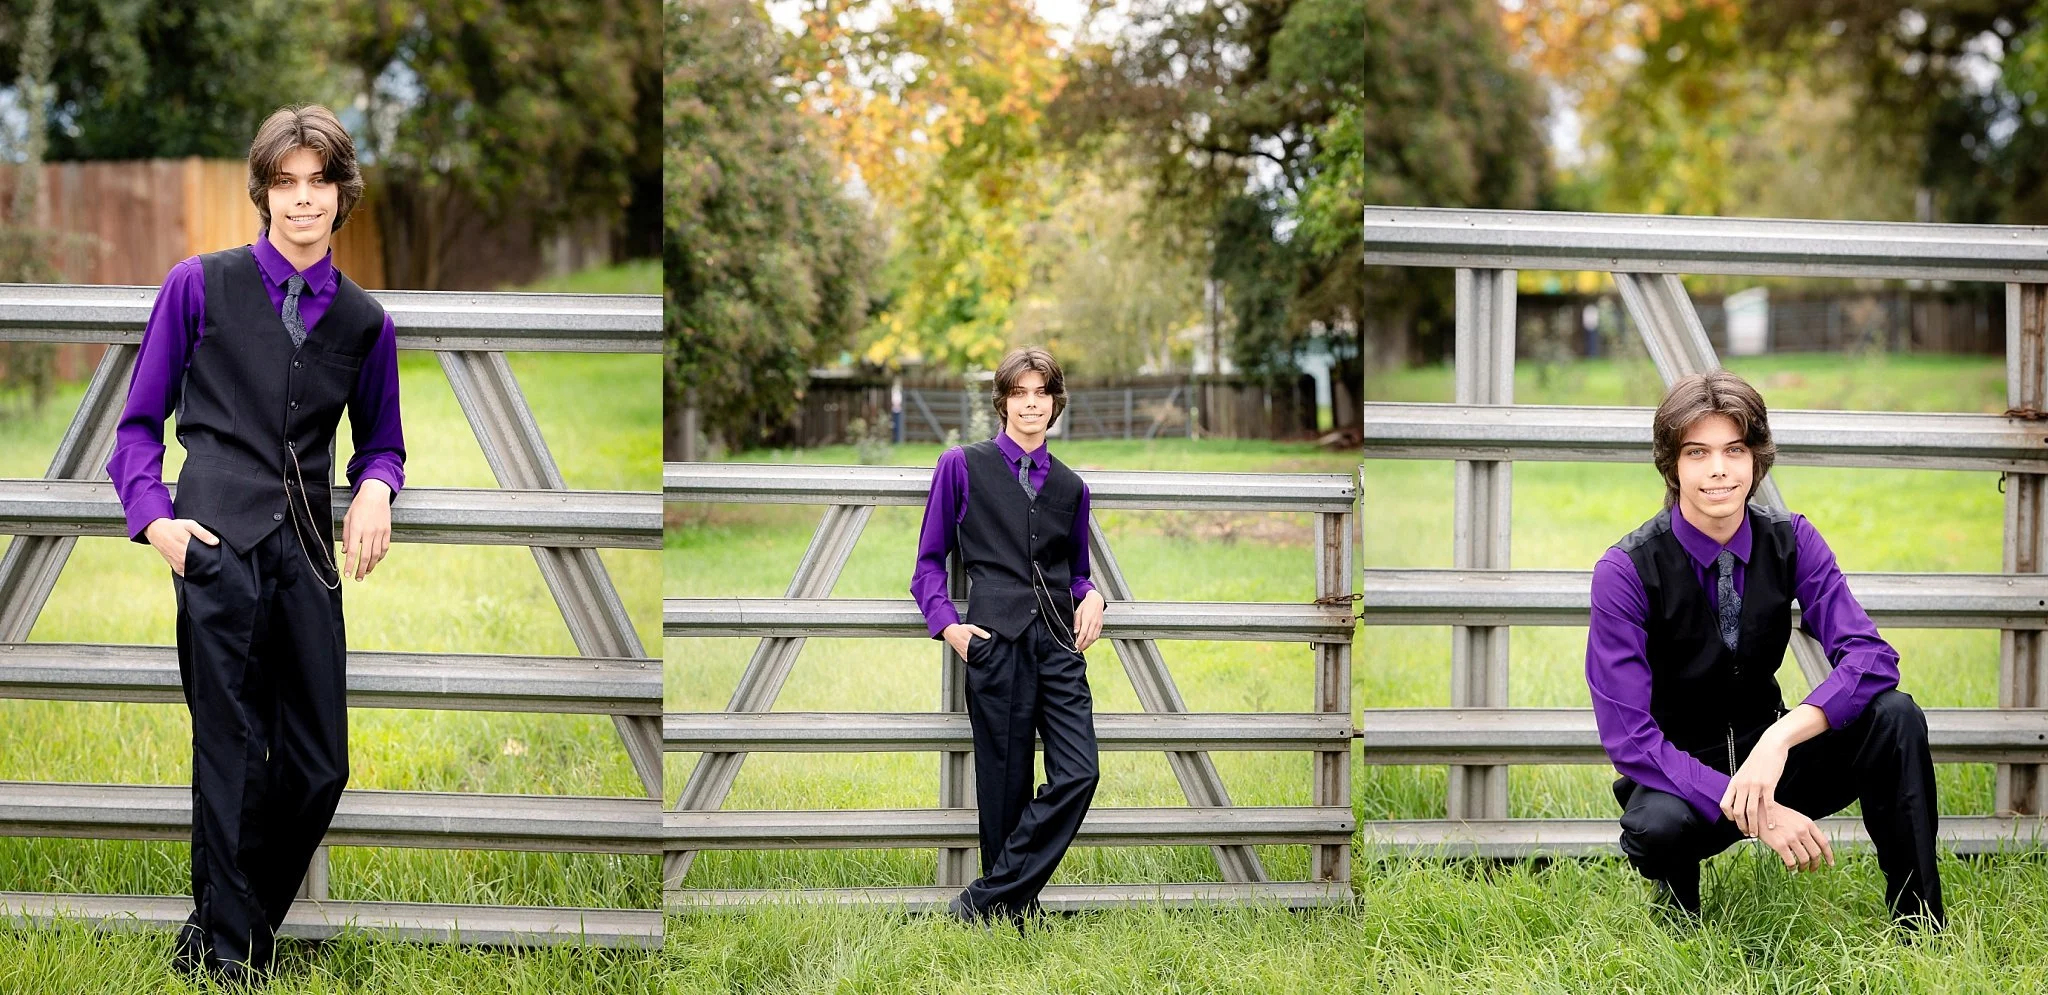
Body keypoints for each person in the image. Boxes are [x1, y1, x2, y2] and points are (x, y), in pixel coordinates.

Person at [106, 103, 406, 982]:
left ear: (341, 195)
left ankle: (219, 931)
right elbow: (136, 426)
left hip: (309, 553)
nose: (302, 200)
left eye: (319, 183)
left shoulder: (363, 321)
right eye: (285, 182)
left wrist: (378, 485)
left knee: (320, 763)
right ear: (263, 191)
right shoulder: (197, 284)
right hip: (211, 545)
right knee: (229, 754)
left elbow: (380, 438)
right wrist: (157, 522)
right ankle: (230, 960)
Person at [1586, 369, 1942, 929]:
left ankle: (1920, 922)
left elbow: (1872, 658)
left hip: (1772, 753)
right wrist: (1755, 808)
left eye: (1734, 449)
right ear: (1672, 466)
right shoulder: (1625, 569)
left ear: (1757, 459)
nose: (1718, 469)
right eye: (1697, 452)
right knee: (1656, 830)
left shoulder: (1792, 539)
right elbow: (1629, 735)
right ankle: (1678, 923)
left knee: (1896, 716)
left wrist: (1781, 737)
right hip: (1683, 773)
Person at [910, 346, 1105, 925]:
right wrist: (951, 629)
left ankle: (980, 902)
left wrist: (1091, 594)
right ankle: (1010, 916)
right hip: (993, 644)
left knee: (1080, 772)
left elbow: (1075, 572)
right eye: (1019, 393)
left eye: (1041, 394)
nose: (1031, 405)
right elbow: (927, 564)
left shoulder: (1071, 488)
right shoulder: (961, 466)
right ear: (1001, 403)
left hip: (1058, 646)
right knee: (1003, 786)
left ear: (1055, 404)